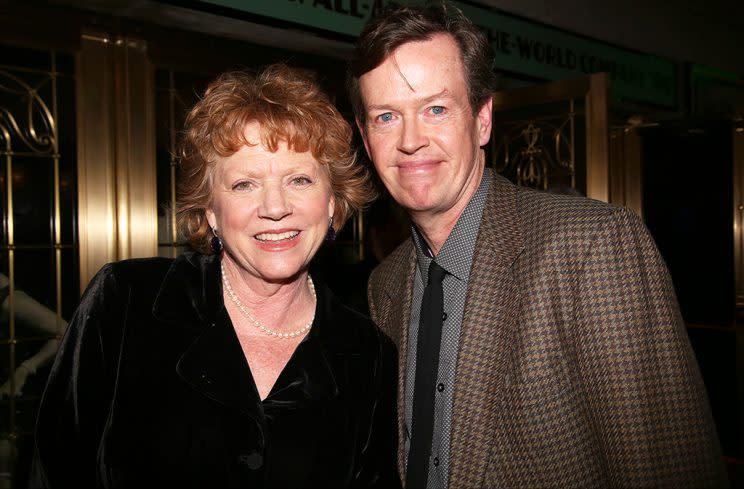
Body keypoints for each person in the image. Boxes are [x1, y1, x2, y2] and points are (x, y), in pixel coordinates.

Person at [347, 3, 728, 489]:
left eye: (436, 109)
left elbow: (672, 471)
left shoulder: (590, 248)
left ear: (482, 120)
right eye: (386, 117)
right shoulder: (387, 283)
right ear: (365, 135)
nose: (410, 140)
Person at [31, 64, 400, 488]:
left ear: (333, 202)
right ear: (210, 210)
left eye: (299, 179)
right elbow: (52, 470)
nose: (275, 207)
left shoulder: (366, 354)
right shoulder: (125, 303)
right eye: (245, 184)